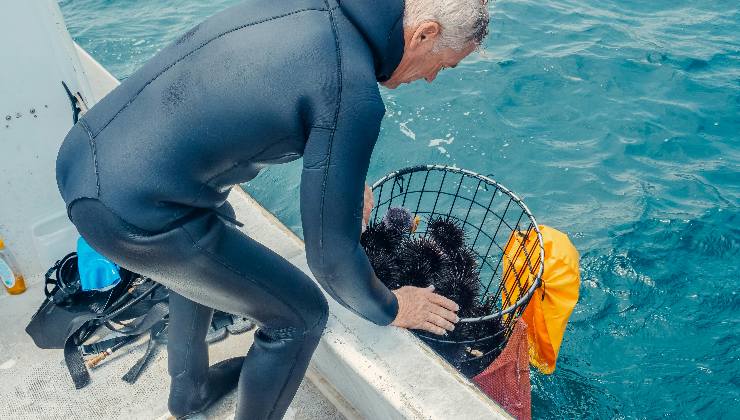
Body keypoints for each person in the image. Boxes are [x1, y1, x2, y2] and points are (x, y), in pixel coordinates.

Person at [55, 0, 489, 418]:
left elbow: (283, 90)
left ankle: (190, 393)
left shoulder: (319, 10)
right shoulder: (352, 90)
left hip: (85, 155)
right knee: (300, 316)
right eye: (443, 65)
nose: (432, 78)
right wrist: (392, 307)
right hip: (131, 215)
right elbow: (333, 260)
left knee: (211, 235)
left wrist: (346, 178)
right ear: (425, 34)